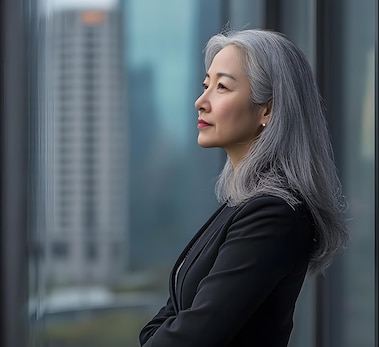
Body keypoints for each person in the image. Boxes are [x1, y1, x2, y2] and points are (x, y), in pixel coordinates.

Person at [139, 29, 348, 347]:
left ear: (267, 109)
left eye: (222, 87)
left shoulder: (273, 213)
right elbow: (163, 324)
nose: (201, 102)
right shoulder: (244, 203)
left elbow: (192, 336)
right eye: (206, 85)